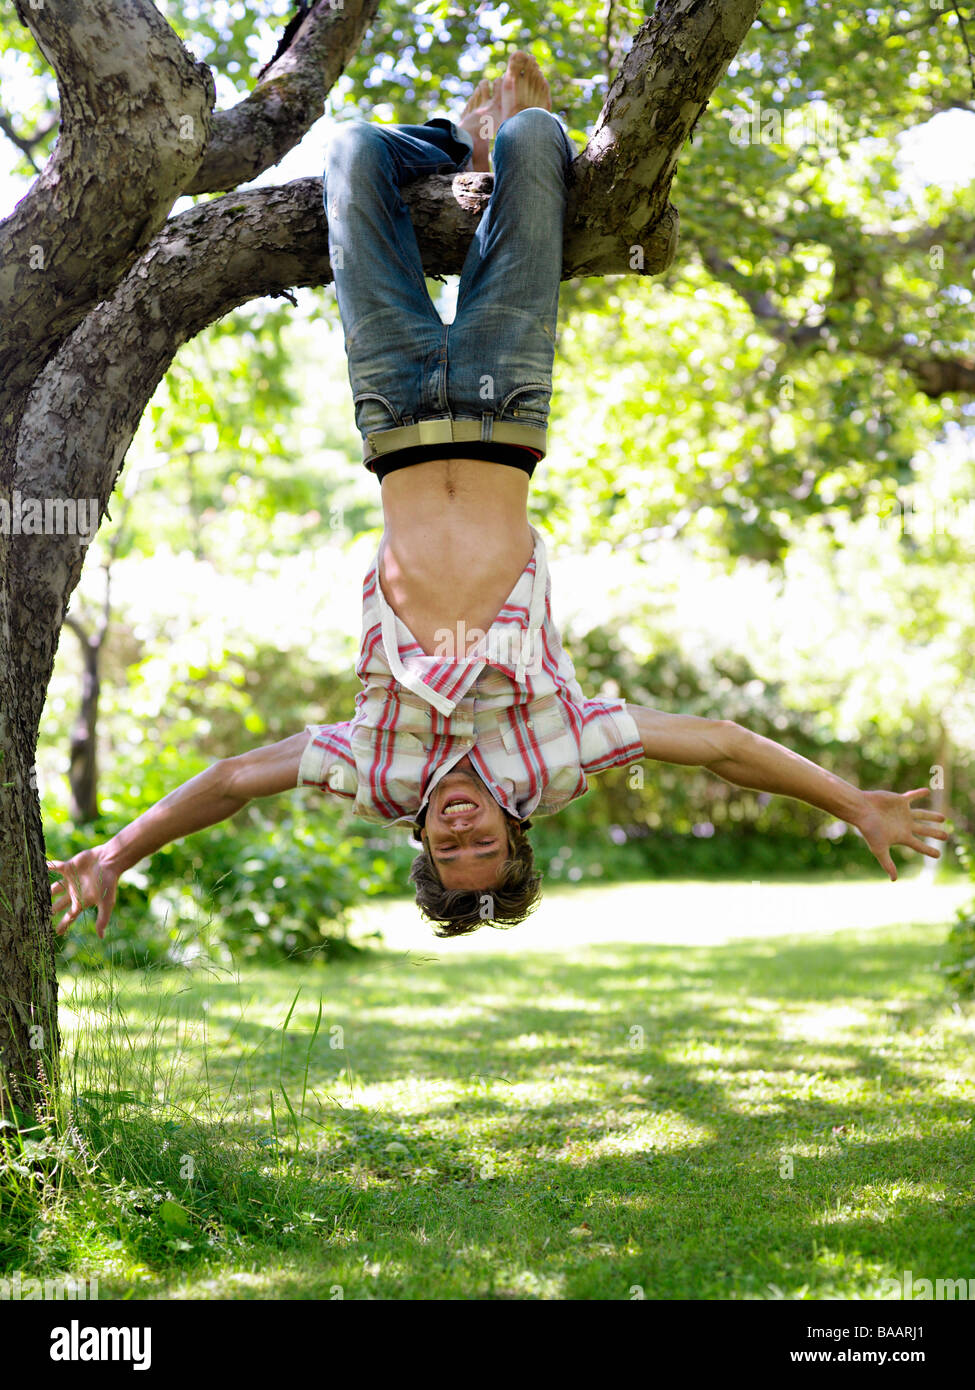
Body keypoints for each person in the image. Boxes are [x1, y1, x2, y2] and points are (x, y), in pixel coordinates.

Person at [48, 55, 949, 941]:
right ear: (517, 831)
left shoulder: (375, 771)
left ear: (422, 846)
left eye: (448, 851)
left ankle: (446, 142)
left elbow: (237, 778)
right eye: (483, 844)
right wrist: (849, 801)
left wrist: (117, 854)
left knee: (354, 152)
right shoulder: (562, 751)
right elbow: (718, 742)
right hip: (502, 405)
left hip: (391, 412)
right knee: (534, 137)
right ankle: (492, 148)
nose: (459, 829)